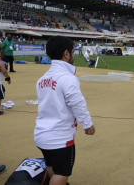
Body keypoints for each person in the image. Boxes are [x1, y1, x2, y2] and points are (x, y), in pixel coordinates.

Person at [34, 37, 96, 185]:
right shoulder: (67, 78)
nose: (73, 56)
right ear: (66, 54)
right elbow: (77, 103)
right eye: (73, 52)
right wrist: (87, 125)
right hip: (60, 138)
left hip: (41, 134)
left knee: (51, 165)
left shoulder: (42, 79)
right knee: (62, 173)